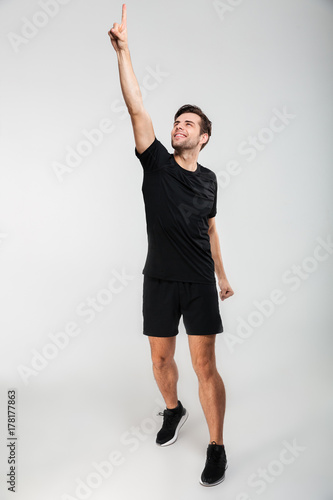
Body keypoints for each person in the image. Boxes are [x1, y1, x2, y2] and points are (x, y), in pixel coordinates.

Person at [108, 4, 234, 487]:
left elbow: (210, 229)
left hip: (199, 281)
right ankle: (173, 409)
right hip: (159, 277)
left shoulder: (210, 180)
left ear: (204, 138)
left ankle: (217, 447)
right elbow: (136, 104)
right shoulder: (156, 163)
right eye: (176, 122)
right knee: (161, 360)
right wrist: (124, 51)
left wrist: (222, 276)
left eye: (188, 125)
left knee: (205, 365)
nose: (178, 126)